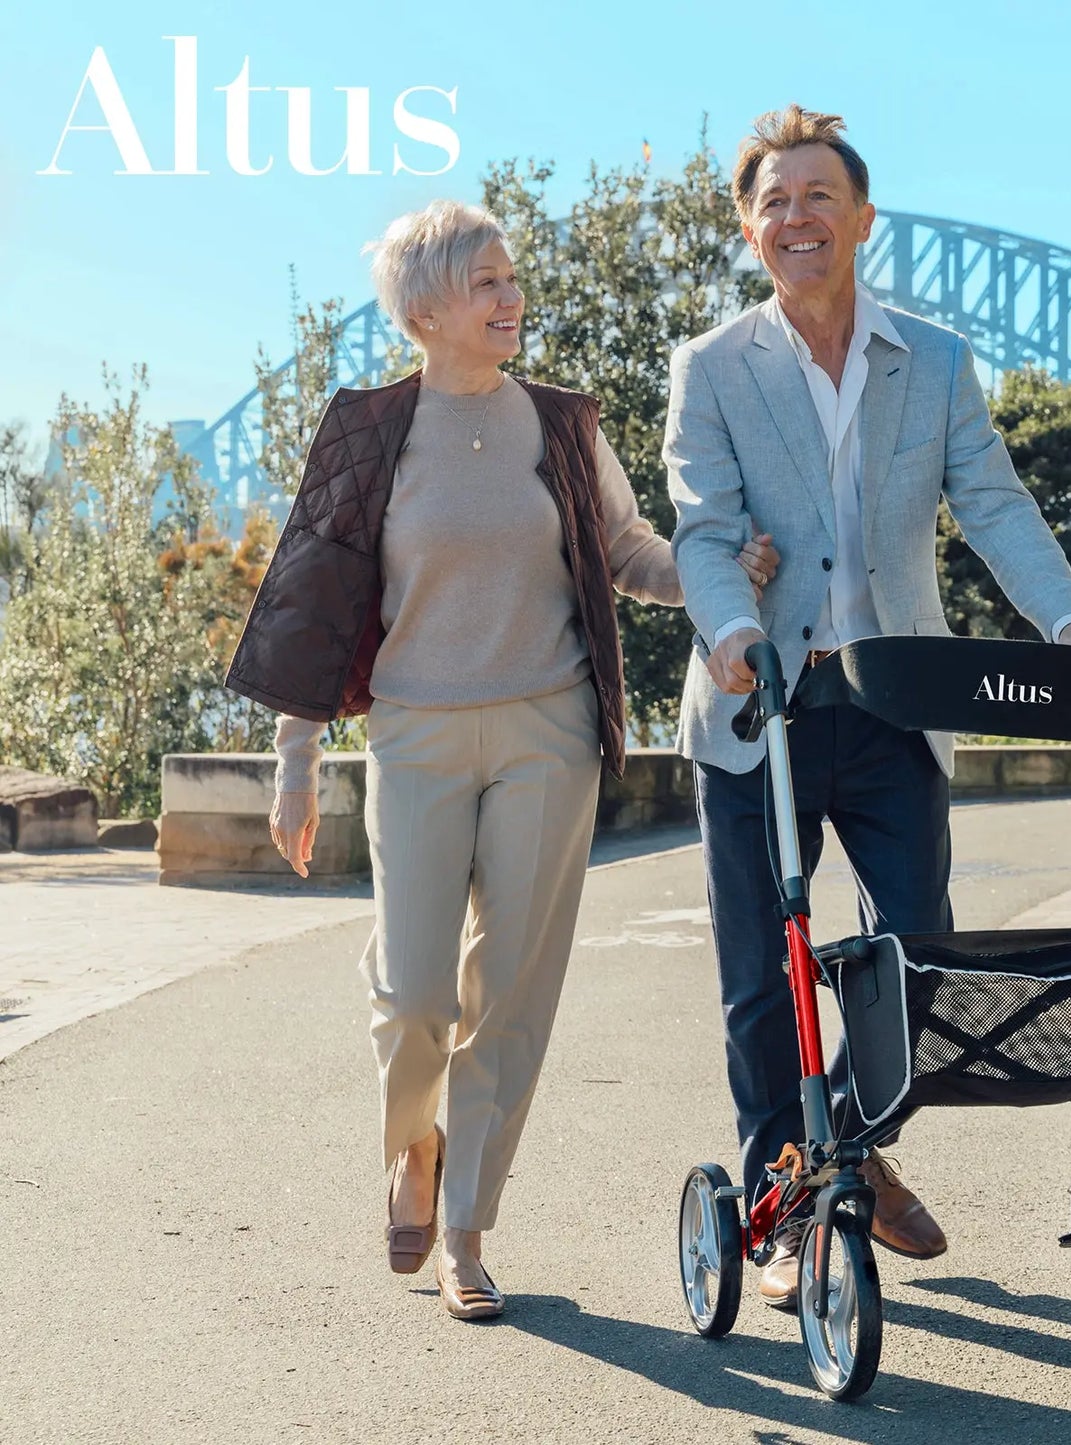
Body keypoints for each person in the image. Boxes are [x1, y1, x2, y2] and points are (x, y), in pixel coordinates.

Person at [224, 200, 778, 1321]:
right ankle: (412, 1146)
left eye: (511, 276)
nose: (510, 295)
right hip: (413, 731)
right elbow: (314, 598)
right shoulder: (367, 430)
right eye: (485, 281)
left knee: (511, 992)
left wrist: (720, 573)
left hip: (548, 731)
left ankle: (465, 1229)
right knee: (415, 989)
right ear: (424, 309)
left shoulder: (561, 425)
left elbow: (622, 548)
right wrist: (293, 758)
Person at [665, 105, 1071, 1310]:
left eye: (818, 197)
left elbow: (997, 508)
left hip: (893, 703)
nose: (796, 217)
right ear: (749, 229)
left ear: (861, 218)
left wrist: (1067, 625)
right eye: (774, 202)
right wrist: (734, 630)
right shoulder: (710, 369)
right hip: (763, 710)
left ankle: (851, 1154)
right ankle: (786, 1191)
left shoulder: (936, 358)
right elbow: (704, 533)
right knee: (764, 971)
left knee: (916, 946)